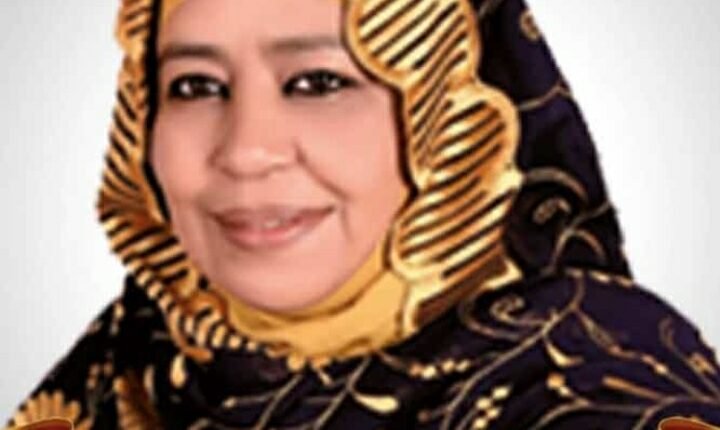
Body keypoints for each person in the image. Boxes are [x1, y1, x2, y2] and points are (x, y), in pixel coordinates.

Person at [6, 0, 720, 428]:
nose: (246, 151)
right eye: (195, 85)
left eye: (318, 82)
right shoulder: (136, 358)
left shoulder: (598, 380)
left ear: (447, 121)